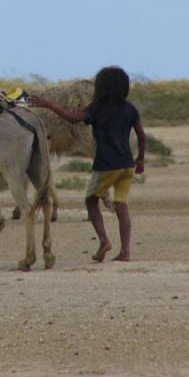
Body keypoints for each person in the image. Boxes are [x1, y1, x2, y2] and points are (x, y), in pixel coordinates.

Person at [29, 66, 145, 262]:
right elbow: (141, 135)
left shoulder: (97, 107)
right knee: (121, 206)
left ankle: (104, 241)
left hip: (107, 165)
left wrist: (49, 105)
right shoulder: (129, 108)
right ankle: (125, 251)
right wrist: (140, 159)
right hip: (127, 166)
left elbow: (73, 118)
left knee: (91, 202)